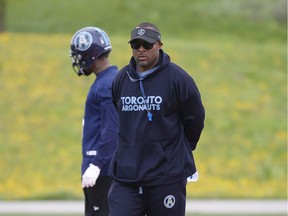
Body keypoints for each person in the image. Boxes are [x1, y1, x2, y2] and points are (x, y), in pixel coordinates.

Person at [108, 22, 205, 216]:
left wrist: (176, 151)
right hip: (126, 178)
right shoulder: (122, 79)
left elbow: (195, 120)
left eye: (147, 44)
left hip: (166, 177)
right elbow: (120, 119)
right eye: (136, 44)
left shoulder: (178, 80)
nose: (141, 49)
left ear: (159, 45)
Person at [69, 26, 118, 216]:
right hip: (103, 167)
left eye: (79, 55)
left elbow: (112, 129)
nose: (77, 60)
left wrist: (97, 164)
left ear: (90, 55)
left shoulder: (106, 84)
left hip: (103, 170)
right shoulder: (106, 80)